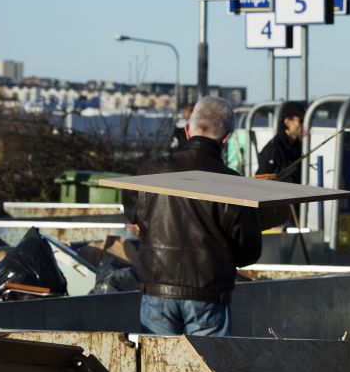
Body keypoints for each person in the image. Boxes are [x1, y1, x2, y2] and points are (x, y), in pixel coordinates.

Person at [124, 96, 261, 336]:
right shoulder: (234, 184)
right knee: (206, 368)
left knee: (159, 369)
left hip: (157, 290)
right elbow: (249, 249)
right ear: (227, 137)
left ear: (188, 129)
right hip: (209, 294)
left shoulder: (151, 171)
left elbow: (134, 214)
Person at [256, 101, 305, 181]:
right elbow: (260, 180)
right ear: (287, 122)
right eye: (301, 120)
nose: (304, 124)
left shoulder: (298, 146)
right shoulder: (273, 149)